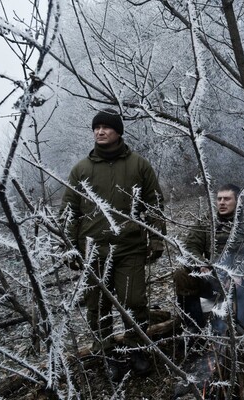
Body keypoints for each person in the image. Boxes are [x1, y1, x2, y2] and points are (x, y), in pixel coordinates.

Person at [60, 108, 166, 380]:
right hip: (93, 251)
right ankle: (106, 353)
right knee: (97, 306)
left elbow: (154, 202)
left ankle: (137, 349)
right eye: (96, 127)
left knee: (134, 301)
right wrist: (69, 247)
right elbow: (69, 212)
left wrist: (155, 237)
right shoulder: (81, 169)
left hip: (129, 247)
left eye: (106, 127)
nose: (100, 131)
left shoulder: (138, 165)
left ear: (118, 131)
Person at [173, 184, 244, 339]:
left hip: (241, 281)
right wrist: (200, 263)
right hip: (211, 278)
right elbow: (189, 246)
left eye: (227, 199)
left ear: (238, 201)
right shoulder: (207, 222)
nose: (221, 202)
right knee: (182, 275)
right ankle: (195, 328)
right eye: (219, 199)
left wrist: (240, 273)